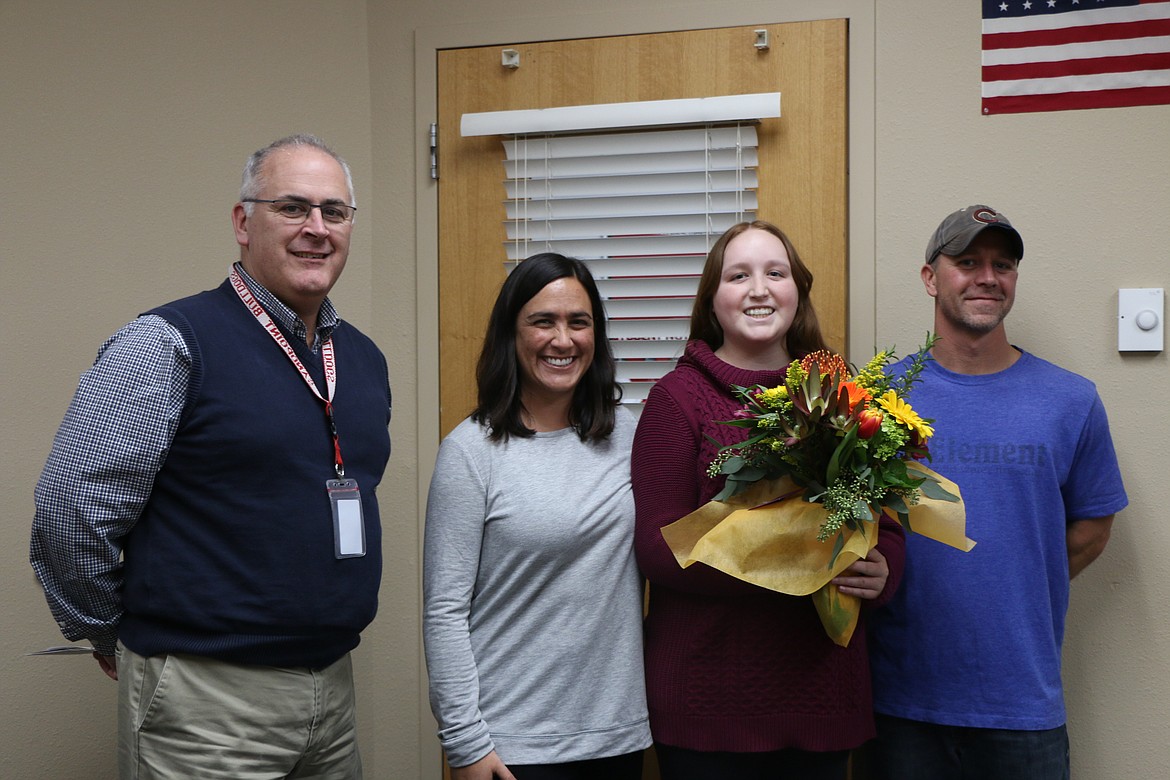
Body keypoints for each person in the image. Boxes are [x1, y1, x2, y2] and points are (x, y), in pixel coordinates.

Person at [30, 134, 392, 779]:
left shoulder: (361, 360)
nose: (316, 228)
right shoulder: (167, 343)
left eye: (333, 212)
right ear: (242, 222)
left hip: (331, 693)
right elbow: (70, 507)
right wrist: (109, 628)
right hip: (205, 705)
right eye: (292, 207)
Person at [631, 220, 906, 780]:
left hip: (822, 692)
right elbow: (659, 549)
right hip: (707, 704)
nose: (758, 289)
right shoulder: (676, 400)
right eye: (738, 275)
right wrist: (791, 559)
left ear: (798, 290)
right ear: (713, 299)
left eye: (774, 273)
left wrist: (885, 571)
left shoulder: (846, 390)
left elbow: (888, 520)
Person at [866, 204, 1129, 779]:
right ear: (931, 278)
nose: (988, 276)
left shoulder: (1070, 400)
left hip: (1022, 707)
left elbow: (1093, 528)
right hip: (900, 705)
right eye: (967, 262)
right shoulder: (875, 399)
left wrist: (1014, 581)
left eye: (1003, 264)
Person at [423, 253, 652, 780]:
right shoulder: (470, 452)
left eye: (579, 322)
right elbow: (445, 611)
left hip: (617, 736)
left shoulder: (630, 438)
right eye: (542, 321)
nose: (563, 340)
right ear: (511, 333)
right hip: (512, 746)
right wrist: (466, 744)